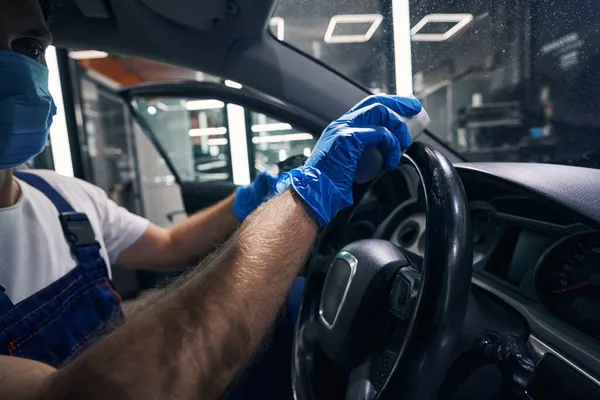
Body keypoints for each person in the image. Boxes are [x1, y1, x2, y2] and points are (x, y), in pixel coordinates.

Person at [0, 0, 423, 398]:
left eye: (29, 46)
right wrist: (306, 195)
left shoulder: (63, 196)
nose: (16, 67)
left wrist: (255, 198)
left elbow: (170, 245)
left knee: (296, 299)